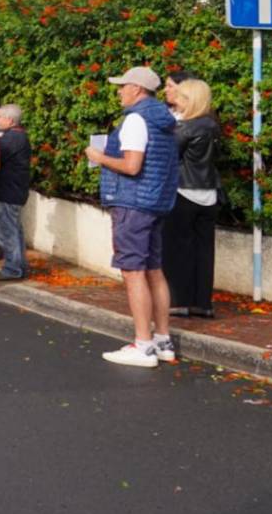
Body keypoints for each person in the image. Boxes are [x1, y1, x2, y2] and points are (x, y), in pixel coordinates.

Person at [85, 66, 181, 368]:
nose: (119, 91)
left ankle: (143, 344)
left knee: (133, 271)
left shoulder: (136, 120)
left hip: (132, 204)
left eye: (123, 86)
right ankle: (162, 340)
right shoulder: (162, 120)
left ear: (137, 89)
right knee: (154, 269)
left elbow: (131, 166)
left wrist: (99, 157)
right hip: (155, 202)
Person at [163, 78, 220, 319]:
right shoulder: (213, 125)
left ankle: (179, 301)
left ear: (192, 100)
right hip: (209, 192)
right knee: (204, 250)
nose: (178, 101)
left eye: (183, 97)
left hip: (184, 190)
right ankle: (203, 303)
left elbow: (169, 153)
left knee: (177, 248)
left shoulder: (186, 127)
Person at [0, 105, 32, 279]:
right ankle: (20, 265)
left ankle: (12, 268)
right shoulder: (20, 136)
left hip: (7, 191)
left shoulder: (11, 139)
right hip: (15, 190)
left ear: (9, 120)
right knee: (15, 230)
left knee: (7, 231)